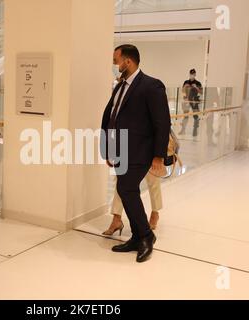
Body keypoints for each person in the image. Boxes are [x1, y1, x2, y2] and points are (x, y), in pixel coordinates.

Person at [101, 44, 171, 263]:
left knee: (126, 188)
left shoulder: (152, 86)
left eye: (116, 61)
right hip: (121, 150)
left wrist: (158, 156)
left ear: (128, 62)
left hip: (141, 151)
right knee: (124, 188)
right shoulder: (120, 86)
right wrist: (108, 149)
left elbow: (162, 123)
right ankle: (137, 236)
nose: (115, 65)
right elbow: (111, 117)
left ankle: (147, 236)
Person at [179, 69, 203, 137]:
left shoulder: (198, 83)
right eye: (191, 74)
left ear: (195, 74)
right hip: (187, 101)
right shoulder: (186, 82)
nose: (192, 75)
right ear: (189, 74)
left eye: (193, 74)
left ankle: (195, 131)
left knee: (195, 116)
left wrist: (196, 88)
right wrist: (185, 89)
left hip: (194, 101)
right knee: (185, 115)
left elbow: (201, 92)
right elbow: (182, 91)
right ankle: (183, 130)